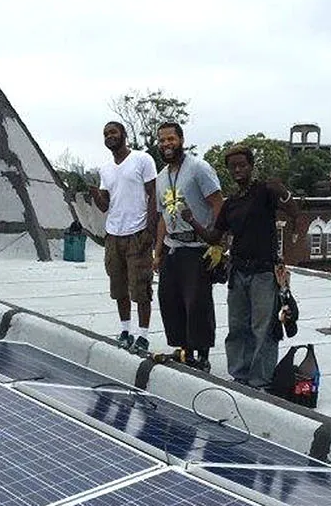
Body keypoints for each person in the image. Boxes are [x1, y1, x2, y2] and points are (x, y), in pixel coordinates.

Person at [182, 143, 298, 387]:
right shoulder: (231, 203)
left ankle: (260, 380)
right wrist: (192, 220)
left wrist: (283, 192)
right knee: (237, 328)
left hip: (264, 272)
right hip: (238, 271)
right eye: (233, 166)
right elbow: (215, 237)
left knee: (263, 329)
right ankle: (240, 375)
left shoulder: (265, 192)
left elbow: (294, 211)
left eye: (242, 165)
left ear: (251, 166)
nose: (238, 170)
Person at [153, 122, 223, 371]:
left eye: (170, 139)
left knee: (197, 302)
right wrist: (158, 252)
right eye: (161, 140)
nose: (166, 144)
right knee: (170, 299)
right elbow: (162, 216)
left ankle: (202, 354)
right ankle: (184, 349)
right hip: (173, 245)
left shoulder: (198, 168)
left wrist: (217, 240)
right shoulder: (162, 177)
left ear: (181, 140)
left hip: (197, 244)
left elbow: (217, 203)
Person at [90, 121, 158, 353]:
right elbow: (105, 205)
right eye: (106, 133)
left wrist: (150, 230)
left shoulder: (142, 159)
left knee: (141, 287)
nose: (110, 136)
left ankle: (143, 335)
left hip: (137, 233)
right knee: (118, 287)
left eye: (113, 132)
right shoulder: (106, 169)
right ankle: (125, 330)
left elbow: (153, 194)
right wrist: (95, 194)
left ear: (124, 135)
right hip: (113, 235)